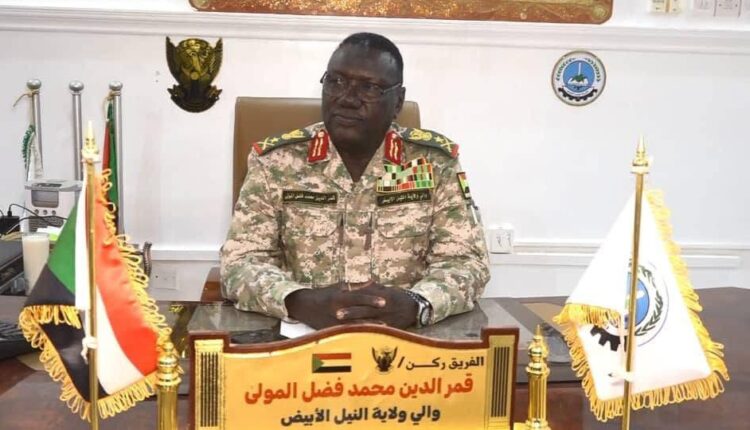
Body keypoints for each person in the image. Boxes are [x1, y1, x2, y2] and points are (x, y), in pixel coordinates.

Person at [221, 32, 489, 330]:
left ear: (398, 102)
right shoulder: (276, 163)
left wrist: (418, 304)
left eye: (369, 87)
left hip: (407, 339)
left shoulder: (434, 164)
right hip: (303, 337)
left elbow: (466, 262)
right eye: (336, 81)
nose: (347, 99)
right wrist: (298, 301)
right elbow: (241, 261)